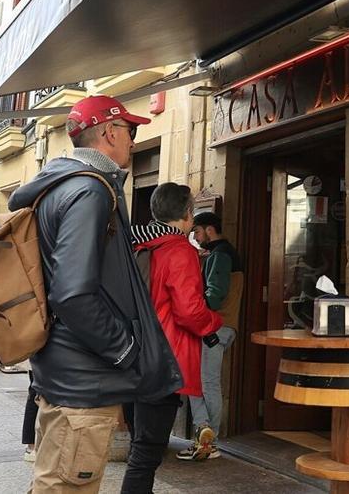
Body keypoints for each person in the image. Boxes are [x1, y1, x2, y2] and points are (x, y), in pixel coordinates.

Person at [7, 95, 180, 494]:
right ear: (109, 132)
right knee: (68, 485)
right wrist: (125, 350)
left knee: (54, 481)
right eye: (130, 131)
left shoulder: (61, 186)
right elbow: (72, 294)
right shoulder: (90, 190)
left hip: (65, 369)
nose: (134, 141)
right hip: (83, 379)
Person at [129, 184, 223, 482]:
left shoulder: (142, 244)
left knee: (140, 448)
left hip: (137, 355)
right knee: (147, 455)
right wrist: (214, 323)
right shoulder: (180, 250)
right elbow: (189, 311)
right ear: (187, 213)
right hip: (165, 359)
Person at [178, 211, 244, 461]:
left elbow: (214, 295)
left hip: (213, 327)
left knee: (206, 383)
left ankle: (209, 441)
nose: (195, 236)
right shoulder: (225, 254)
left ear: (208, 230)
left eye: (197, 231)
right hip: (223, 328)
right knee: (195, 381)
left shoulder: (220, 255)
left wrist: (192, 307)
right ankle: (203, 433)